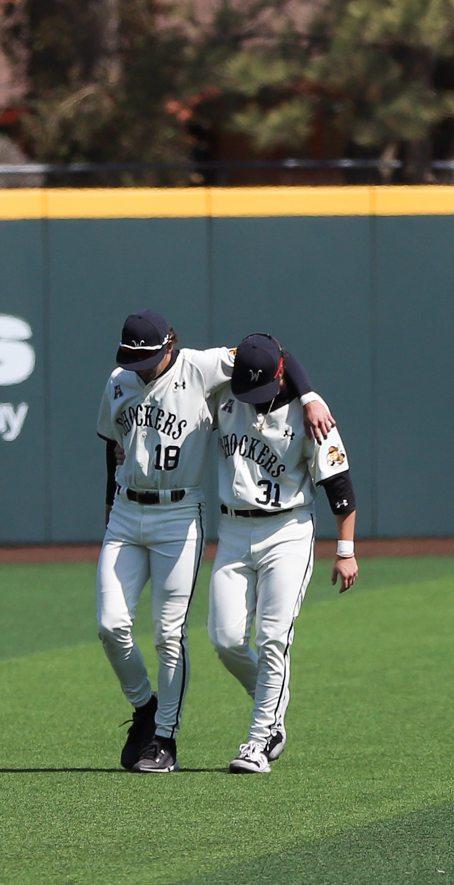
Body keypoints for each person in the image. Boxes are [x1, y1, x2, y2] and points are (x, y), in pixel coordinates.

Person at [96, 312, 334, 773]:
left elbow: (272, 353)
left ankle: (165, 738)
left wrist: (309, 394)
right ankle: (144, 707)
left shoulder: (203, 366)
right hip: (126, 512)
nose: (139, 366)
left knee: (169, 634)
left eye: (147, 357)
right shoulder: (118, 380)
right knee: (110, 625)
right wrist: (109, 503)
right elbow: (112, 442)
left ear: (169, 347)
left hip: (179, 512)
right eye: (132, 357)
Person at [207, 332, 359, 774]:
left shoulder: (311, 414)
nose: (252, 397)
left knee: (273, 638)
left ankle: (259, 740)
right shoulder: (226, 396)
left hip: (288, 531)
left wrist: (345, 550)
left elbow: (340, 486)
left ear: (279, 375)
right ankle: (273, 702)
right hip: (232, 531)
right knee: (225, 639)